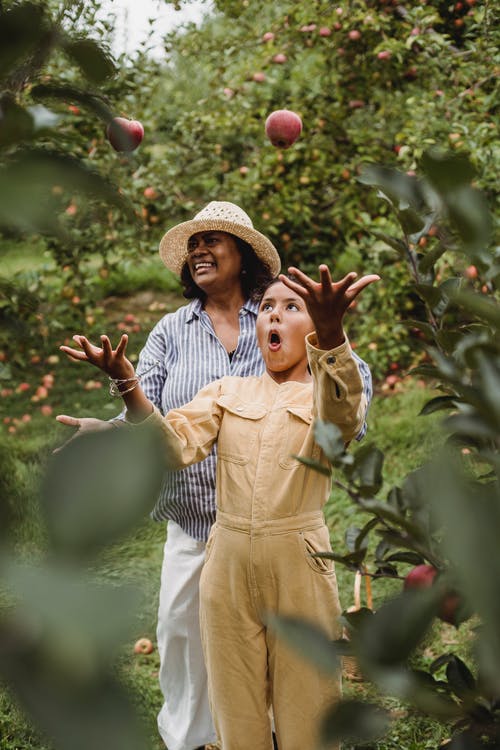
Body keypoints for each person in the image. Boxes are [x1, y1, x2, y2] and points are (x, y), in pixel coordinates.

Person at [57, 201, 373, 750]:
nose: (274, 315)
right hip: (204, 526)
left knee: (301, 680)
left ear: (244, 255)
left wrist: (329, 332)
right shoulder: (187, 345)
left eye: (213, 241)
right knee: (203, 660)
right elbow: (165, 430)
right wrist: (121, 400)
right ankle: (192, 742)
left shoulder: (298, 346)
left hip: (291, 544)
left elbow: (345, 409)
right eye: (192, 244)